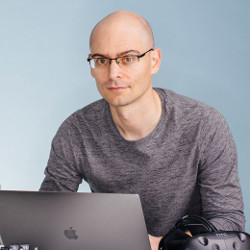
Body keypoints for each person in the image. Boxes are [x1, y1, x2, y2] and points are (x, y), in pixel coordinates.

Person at [40, 10, 245, 249]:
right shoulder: (75, 133)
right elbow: (47, 217)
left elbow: (230, 222)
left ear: (154, 61)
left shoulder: (205, 125)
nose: (113, 73)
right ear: (92, 67)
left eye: (127, 58)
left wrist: (162, 245)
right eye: (102, 60)